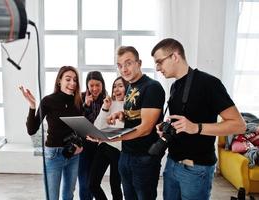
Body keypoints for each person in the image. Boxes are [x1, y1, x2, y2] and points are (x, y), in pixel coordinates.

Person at [151, 38, 246, 200]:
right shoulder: (175, 86)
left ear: (175, 56)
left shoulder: (209, 83)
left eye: (160, 62)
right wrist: (166, 125)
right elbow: (184, 120)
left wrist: (197, 128)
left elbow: (239, 125)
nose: (157, 68)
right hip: (172, 163)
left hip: (196, 170)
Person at [107, 46, 165, 200]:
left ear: (139, 63)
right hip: (126, 154)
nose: (124, 69)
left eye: (128, 63)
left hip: (144, 157)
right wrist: (121, 114)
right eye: (120, 65)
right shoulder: (131, 86)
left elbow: (146, 128)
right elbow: (134, 115)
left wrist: (111, 137)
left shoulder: (152, 87)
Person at [20, 66, 83, 200]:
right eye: (68, 79)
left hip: (73, 154)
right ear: (59, 80)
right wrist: (32, 106)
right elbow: (32, 129)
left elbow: (81, 128)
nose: (72, 83)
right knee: (52, 196)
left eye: (75, 80)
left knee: (68, 195)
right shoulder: (48, 101)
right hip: (53, 155)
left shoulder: (78, 101)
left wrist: (80, 145)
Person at [89, 76, 129, 200]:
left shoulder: (130, 105)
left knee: (115, 186)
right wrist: (105, 107)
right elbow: (97, 127)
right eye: (114, 86)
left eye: (120, 86)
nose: (116, 89)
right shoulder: (109, 103)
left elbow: (125, 130)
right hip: (104, 147)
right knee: (92, 184)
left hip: (119, 151)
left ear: (128, 88)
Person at [79, 71, 107, 200]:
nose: (95, 89)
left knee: (93, 183)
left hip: (100, 146)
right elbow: (77, 122)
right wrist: (86, 105)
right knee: (84, 183)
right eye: (91, 85)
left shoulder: (107, 99)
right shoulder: (81, 97)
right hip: (84, 145)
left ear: (102, 84)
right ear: (87, 86)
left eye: (98, 85)